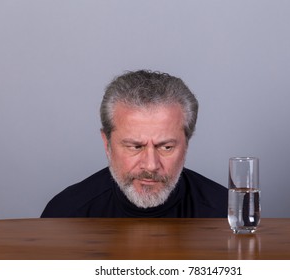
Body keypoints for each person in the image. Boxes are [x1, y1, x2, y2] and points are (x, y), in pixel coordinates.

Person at [41, 70, 227, 218]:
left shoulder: (226, 214)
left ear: (186, 145)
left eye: (166, 147)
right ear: (107, 143)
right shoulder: (65, 214)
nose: (151, 165)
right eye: (135, 147)